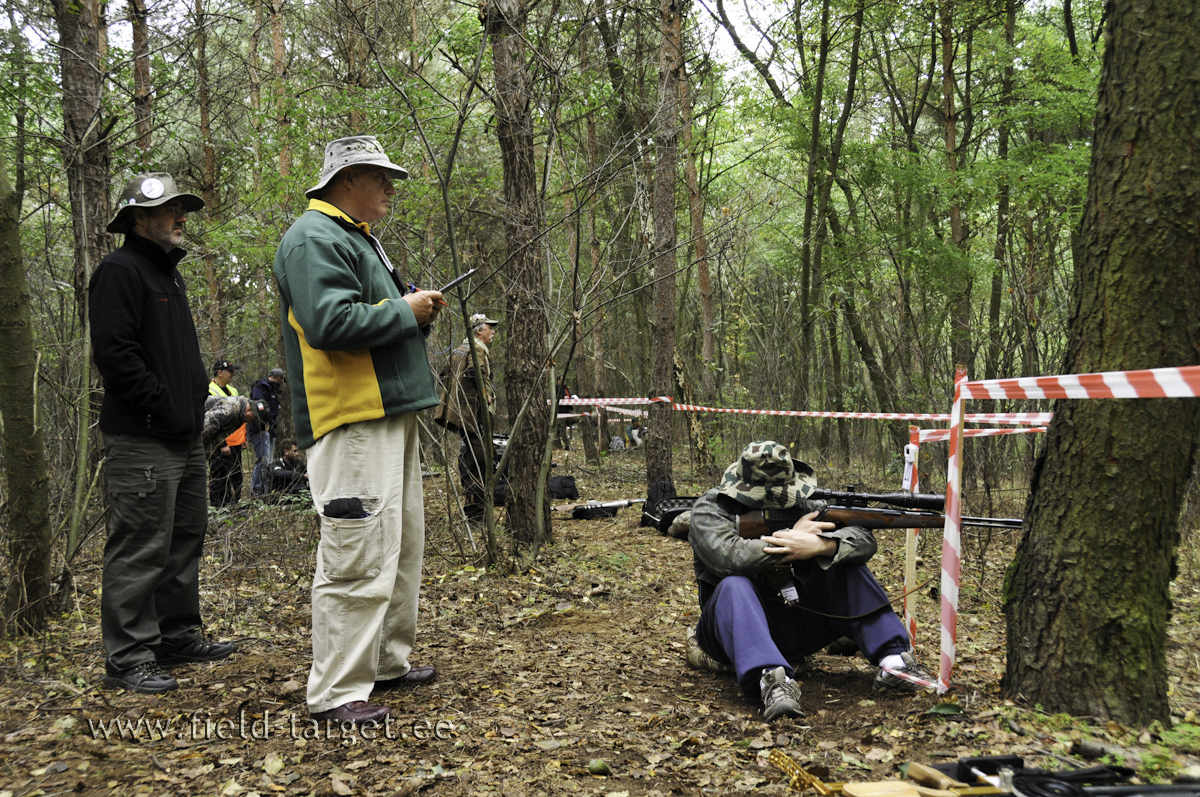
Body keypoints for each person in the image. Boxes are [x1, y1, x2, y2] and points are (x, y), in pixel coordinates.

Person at [274, 135, 445, 725]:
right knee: (356, 554)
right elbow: (327, 322)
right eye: (383, 179)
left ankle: (384, 665)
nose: (391, 190)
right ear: (349, 179)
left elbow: (369, 317)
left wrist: (409, 308)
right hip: (350, 419)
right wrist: (407, 311)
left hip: (390, 414)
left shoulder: (357, 238)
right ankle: (337, 693)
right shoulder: (313, 237)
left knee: (399, 548)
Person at [89, 172, 236, 694]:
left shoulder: (169, 275)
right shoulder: (119, 271)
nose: (181, 218)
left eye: (183, 210)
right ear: (137, 218)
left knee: (184, 537)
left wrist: (188, 407)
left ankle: (177, 637)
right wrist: (163, 404)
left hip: (183, 435)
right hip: (143, 437)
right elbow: (115, 356)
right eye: (170, 210)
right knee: (140, 545)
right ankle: (128, 657)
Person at [687, 441, 935, 722]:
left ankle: (894, 663)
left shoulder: (807, 503)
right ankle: (770, 680)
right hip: (728, 634)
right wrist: (792, 538)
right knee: (734, 584)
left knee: (844, 567)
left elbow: (864, 539)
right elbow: (726, 555)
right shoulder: (712, 507)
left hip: (797, 622)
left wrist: (821, 546)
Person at [433, 312, 500, 518]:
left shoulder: (459, 350)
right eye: (490, 327)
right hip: (472, 415)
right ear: (479, 331)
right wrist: (484, 395)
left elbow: (444, 375)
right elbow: (476, 373)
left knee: (471, 456)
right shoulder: (477, 349)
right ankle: (476, 510)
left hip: (460, 413)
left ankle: (475, 507)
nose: (493, 331)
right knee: (480, 458)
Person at [207, 360, 246, 507]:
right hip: (219, 443)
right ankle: (219, 506)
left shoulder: (233, 391)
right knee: (219, 476)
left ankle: (235, 504)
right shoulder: (210, 391)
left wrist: (243, 437)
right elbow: (212, 421)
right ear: (220, 372)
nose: (233, 374)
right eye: (230, 371)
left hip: (235, 441)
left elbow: (239, 416)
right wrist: (222, 443)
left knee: (236, 475)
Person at [248, 368, 286, 496]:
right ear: (279, 378)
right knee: (262, 461)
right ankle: (256, 492)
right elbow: (259, 408)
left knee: (268, 463)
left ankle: (265, 492)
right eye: (282, 380)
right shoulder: (261, 387)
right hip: (260, 430)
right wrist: (264, 425)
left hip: (270, 430)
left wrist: (272, 428)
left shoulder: (273, 390)